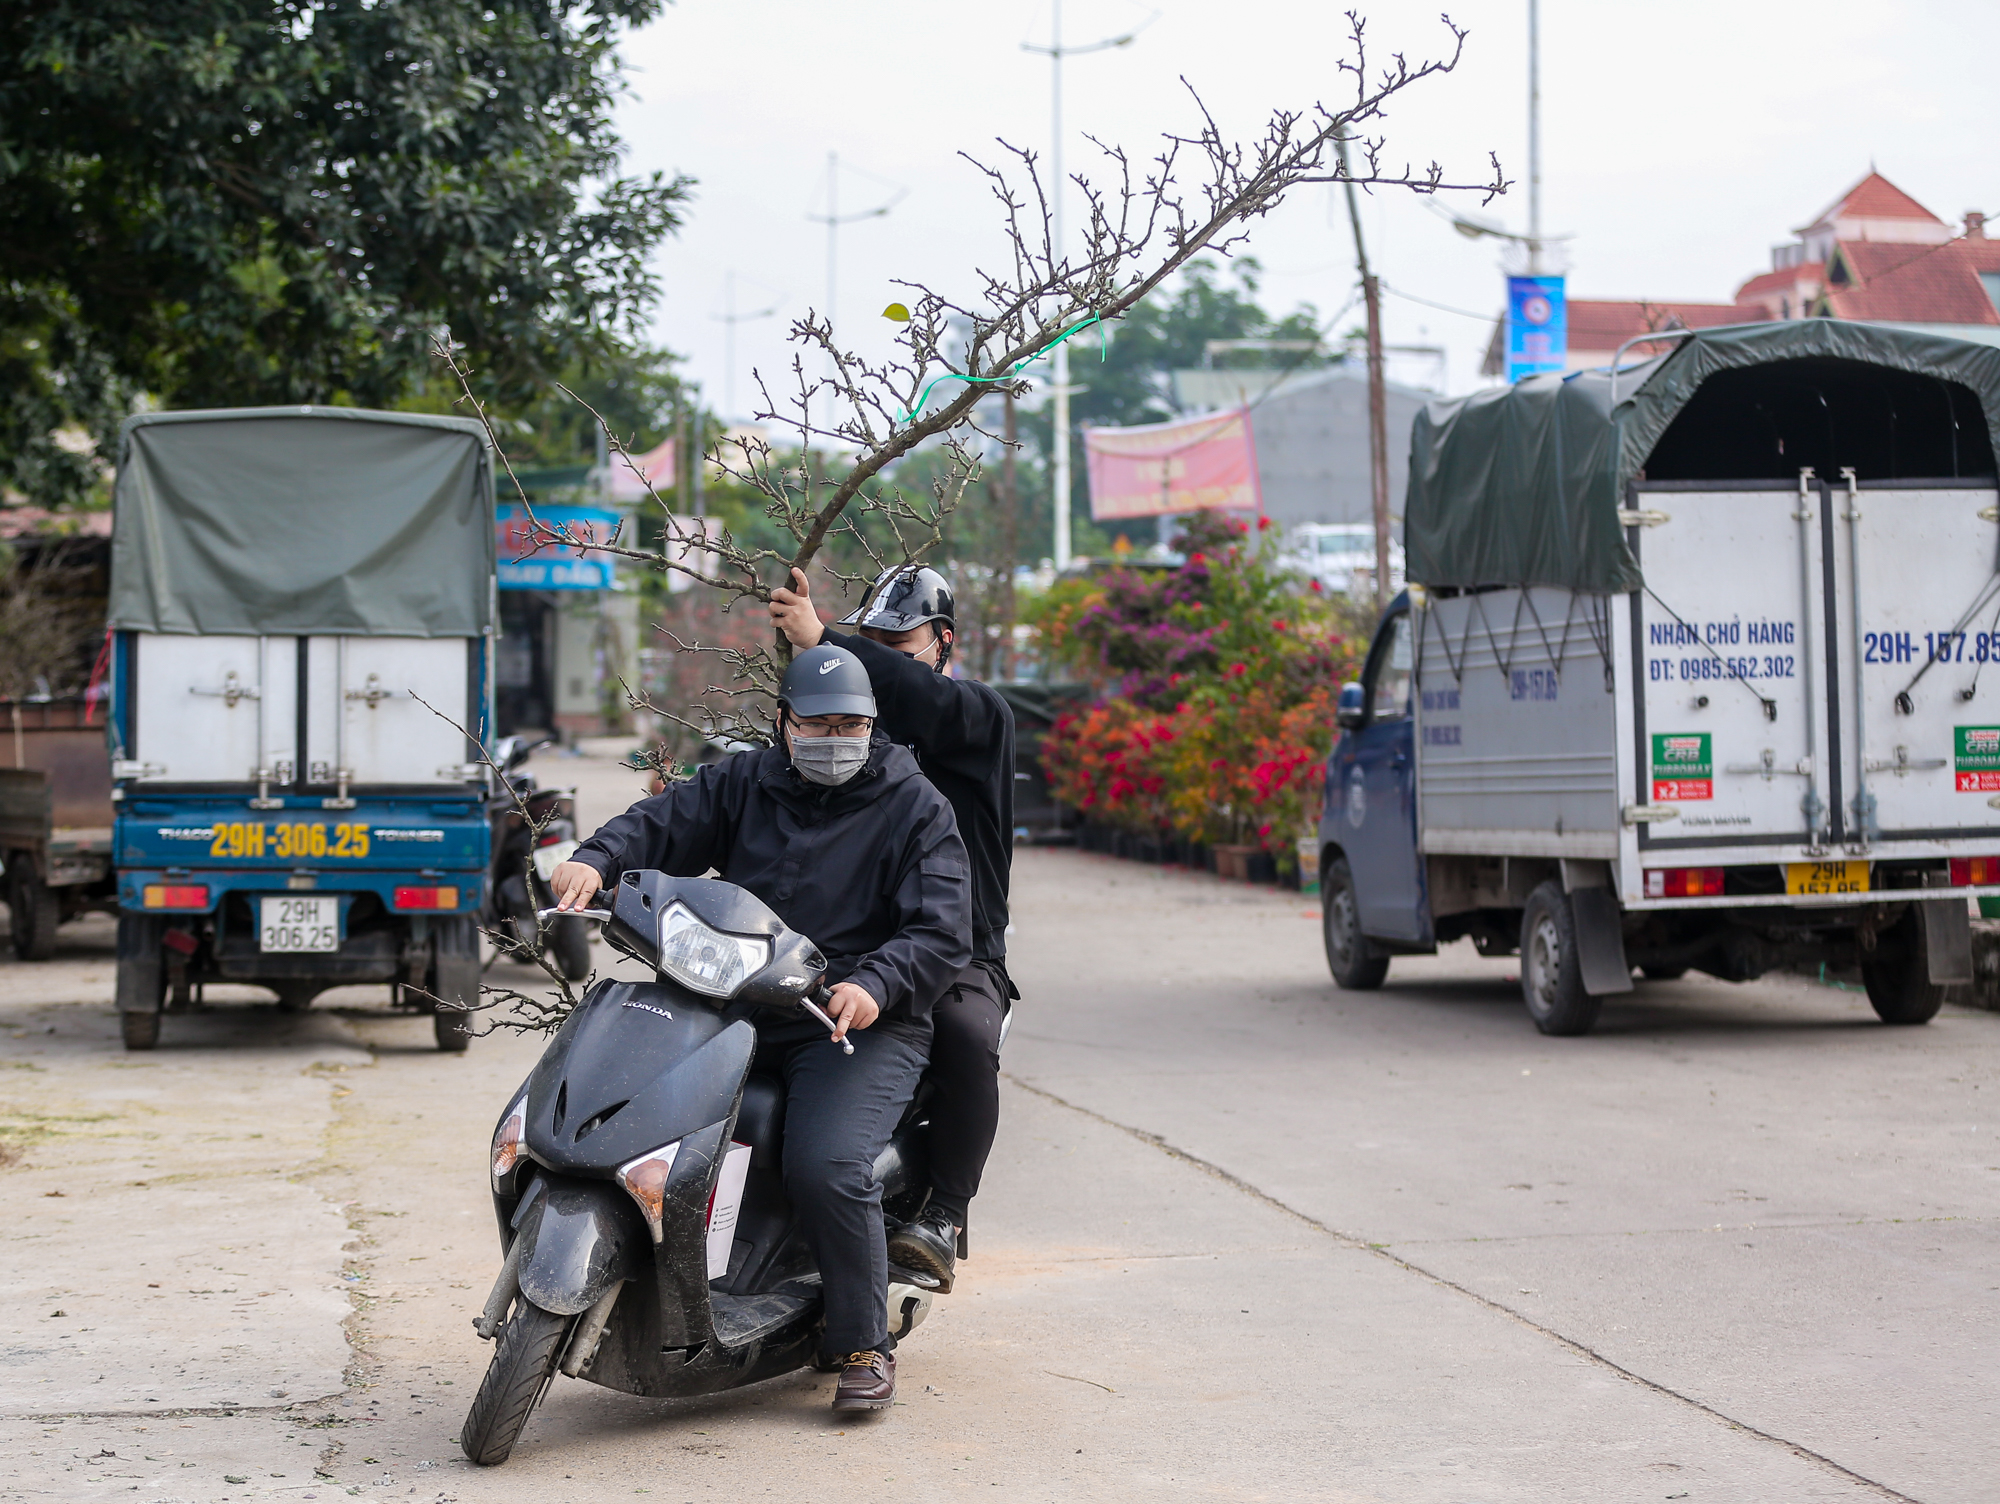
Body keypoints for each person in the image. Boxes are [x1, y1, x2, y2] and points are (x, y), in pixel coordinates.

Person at [546, 644, 970, 1415]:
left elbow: (942, 931)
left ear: (875, 727)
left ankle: (862, 1340)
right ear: (783, 722)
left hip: (848, 1020)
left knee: (827, 1164)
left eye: (852, 725)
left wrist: (874, 984)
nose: (835, 739)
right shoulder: (747, 779)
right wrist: (597, 859)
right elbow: (663, 821)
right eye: (817, 724)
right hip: (735, 996)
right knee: (644, 1122)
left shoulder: (916, 807)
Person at [769, 562, 1014, 1295]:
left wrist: (828, 637)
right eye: (871, 644)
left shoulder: (979, 718)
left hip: (955, 944)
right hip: (854, 942)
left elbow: (922, 703)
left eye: (897, 645)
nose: (881, 661)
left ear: (944, 643)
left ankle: (945, 1211)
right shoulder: (859, 742)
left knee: (966, 1035)